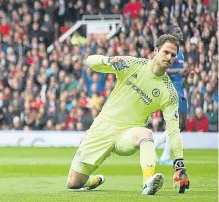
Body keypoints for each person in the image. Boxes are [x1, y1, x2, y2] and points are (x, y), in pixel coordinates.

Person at [66, 34, 190, 195]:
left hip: (128, 134)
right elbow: (90, 61)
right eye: (166, 52)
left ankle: (148, 182)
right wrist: (109, 61)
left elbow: (173, 130)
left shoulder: (169, 93)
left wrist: (179, 163)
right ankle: (94, 180)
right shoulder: (133, 64)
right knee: (73, 183)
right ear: (155, 50)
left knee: (146, 134)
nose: (169, 57)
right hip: (102, 127)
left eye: (173, 55)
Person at [154, 26, 189, 165]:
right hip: (172, 90)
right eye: (178, 32)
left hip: (180, 89)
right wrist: (179, 72)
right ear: (171, 35)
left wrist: (186, 72)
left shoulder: (180, 52)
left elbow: (180, 70)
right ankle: (165, 156)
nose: (181, 34)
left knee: (181, 124)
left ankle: (155, 144)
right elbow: (162, 68)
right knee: (175, 123)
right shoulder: (168, 52)